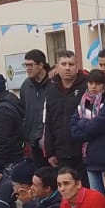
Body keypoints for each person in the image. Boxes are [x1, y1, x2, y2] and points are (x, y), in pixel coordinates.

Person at [71, 67, 105, 190]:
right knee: (96, 199)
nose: (93, 86)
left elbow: (97, 126)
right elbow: (73, 128)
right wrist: (86, 126)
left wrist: (82, 124)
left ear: (104, 85)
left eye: (98, 83)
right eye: (90, 83)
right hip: (90, 159)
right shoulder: (83, 102)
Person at [38, 51, 85, 180]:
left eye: (71, 64)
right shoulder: (51, 90)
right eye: (63, 64)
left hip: (83, 152)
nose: (67, 68)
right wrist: (50, 152)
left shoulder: (86, 87)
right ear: (57, 67)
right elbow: (49, 122)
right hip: (61, 153)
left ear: (77, 66)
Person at [0, 71, 29, 169]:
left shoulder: (2, 109)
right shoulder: (11, 102)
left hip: (9, 162)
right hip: (14, 158)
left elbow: (3, 140)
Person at [17, 50, 51, 155]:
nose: (28, 68)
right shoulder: (26, 86)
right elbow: (23, 112)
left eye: (31, 65)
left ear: (41, 65)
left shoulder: (53, 85)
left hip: (49, 141)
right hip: (31, 142)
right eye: (25, 65)